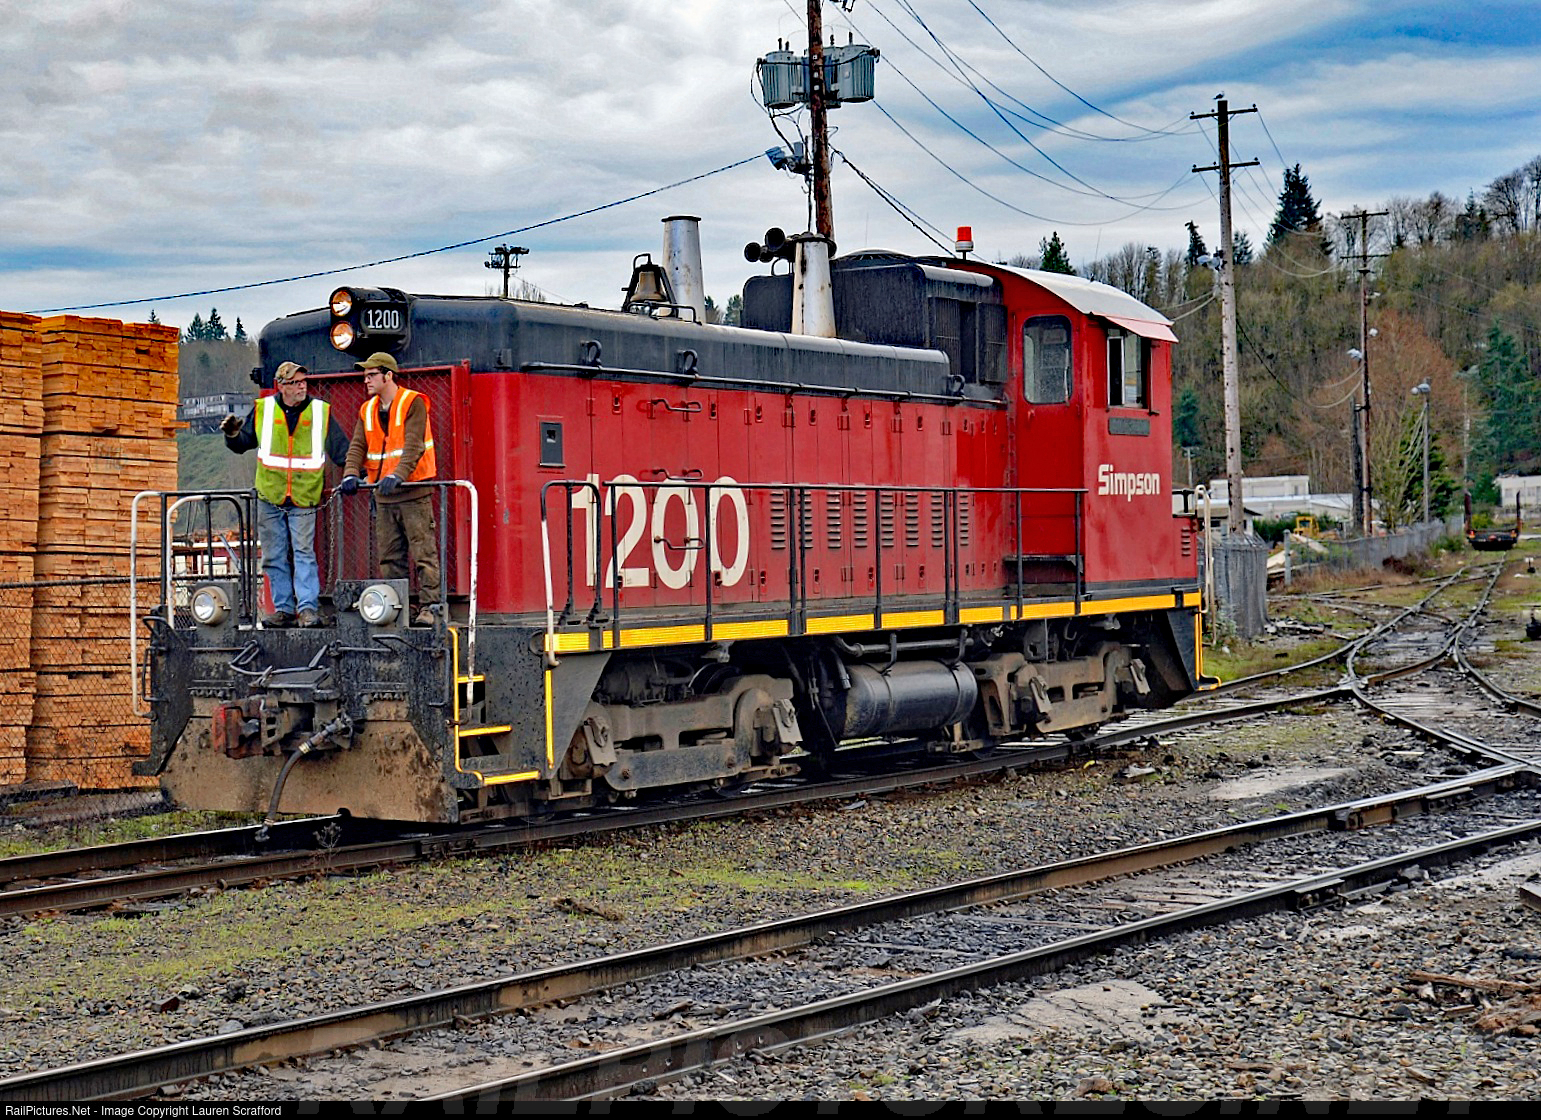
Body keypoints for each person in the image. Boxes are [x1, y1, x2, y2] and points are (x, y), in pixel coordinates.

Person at [221, 361, 350, 628]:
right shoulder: (264, 410)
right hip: (270, 495)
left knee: (303, 552)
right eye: (295, 383)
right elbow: (242, 444)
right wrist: (232, 435)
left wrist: (353, 474)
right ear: (281, 386)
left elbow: (341, 450)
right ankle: (284, 610)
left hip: (304, 496)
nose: (301, 387)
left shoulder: (320, 412)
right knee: (273, 555)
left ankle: (307, 609)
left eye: (303, 382)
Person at [338, 352, 442, 626]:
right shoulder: (367, 410)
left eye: (371, 375)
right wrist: (350, 474)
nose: (366, 380)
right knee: (389, 557)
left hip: (414, 492)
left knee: (423, 553)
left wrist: (398, 475)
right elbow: (357, 446)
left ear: (388, 376)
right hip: (384, 496)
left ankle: (430, 608)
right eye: (365, 376)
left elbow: (414, 445)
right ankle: (399, 609)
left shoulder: (412, 402)